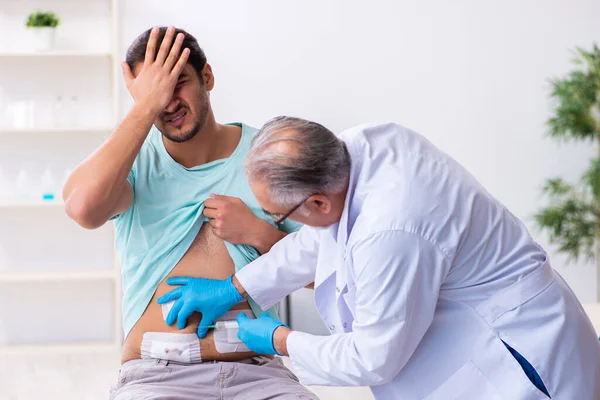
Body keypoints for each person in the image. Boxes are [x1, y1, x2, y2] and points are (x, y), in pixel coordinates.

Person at [159, 116, 600, 399]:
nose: (277, 222)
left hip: (516, 359)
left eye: (277, 215)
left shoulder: (391, 229)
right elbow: (324, 236)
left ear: (314, 202)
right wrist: (236, 287)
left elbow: (374, 357)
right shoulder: (355, 152)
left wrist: (279, 340)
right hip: (481, 325)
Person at [63, 27, 318, 400]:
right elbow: (83, 209)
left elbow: (328, 276)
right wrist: (143, 108)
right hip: (154, 377)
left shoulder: (266, 156)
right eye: (154, 91)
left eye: (177, 82)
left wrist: (261, 236)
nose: (168, 102)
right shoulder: (133, 161)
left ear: (207, 78)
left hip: (260, 374)